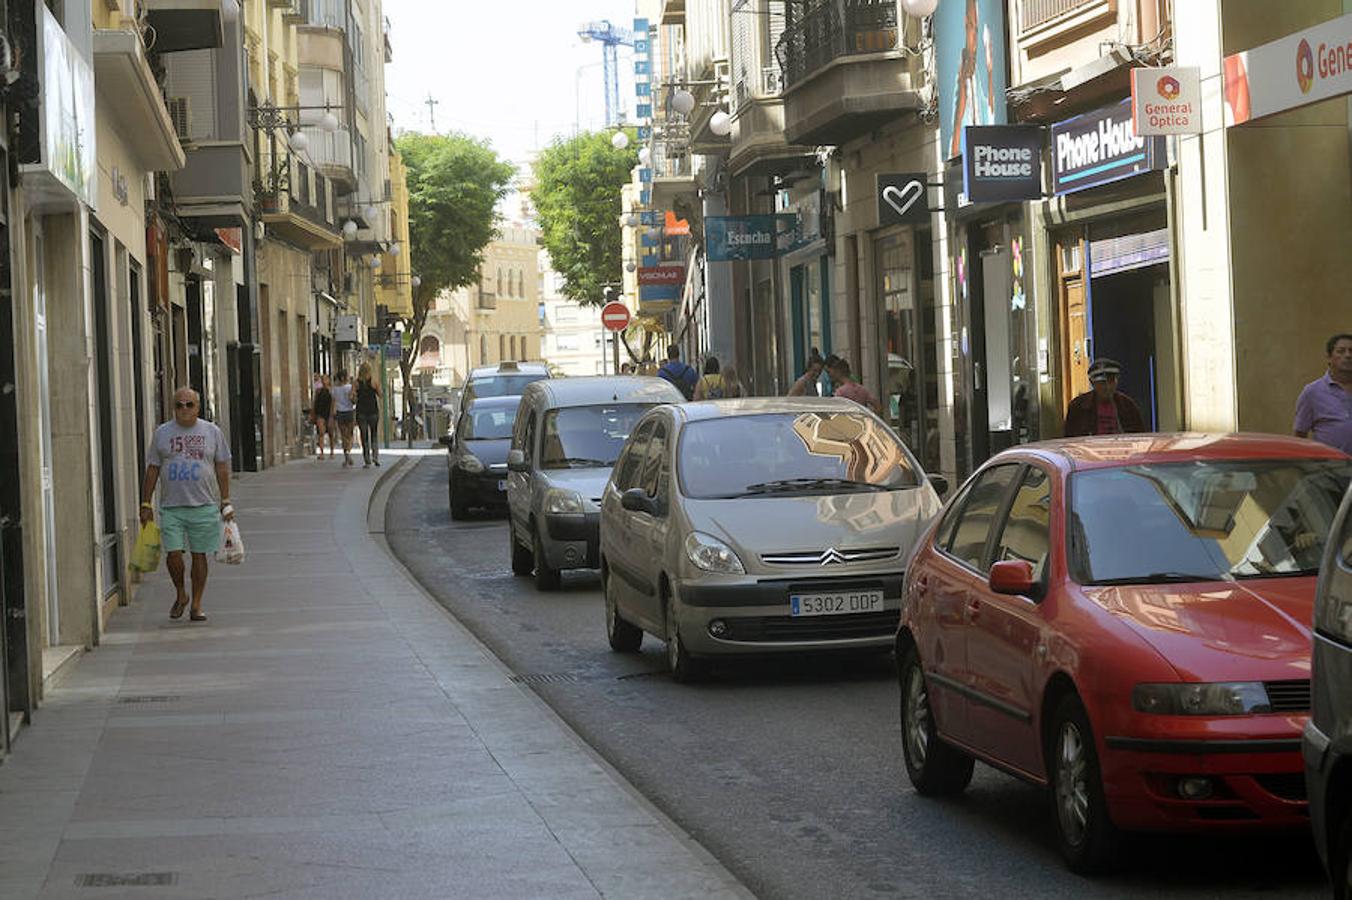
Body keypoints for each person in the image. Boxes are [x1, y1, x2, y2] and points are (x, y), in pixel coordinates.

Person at [138, 387, 234, 623]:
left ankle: (197, 604)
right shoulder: (162, 433)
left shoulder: (212, 432)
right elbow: (152, 468)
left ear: (198, 407)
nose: (184, 410)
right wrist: (145, 502)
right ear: (173, 408)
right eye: (179, 405)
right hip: (172, 506)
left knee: (199, 556)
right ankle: (181, 593)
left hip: (204, 505)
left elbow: (222, 467)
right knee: (173, 555)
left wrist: (226, 501)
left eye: (189, 405)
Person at [1294, 333, 1352, 455]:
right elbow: (1300, 435)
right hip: (1330, 468)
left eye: (1351, 351)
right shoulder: (1312, 392)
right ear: (1329, 357)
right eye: (1341, 351)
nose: (1348, 355)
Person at [1063, 358, 1147, 437]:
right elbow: (1070, 440)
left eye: (1111, 381)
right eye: (1102, 382)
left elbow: (1139, 436)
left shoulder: (1127, 406)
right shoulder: (1078, 407)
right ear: (1092, 383)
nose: (1107, 387)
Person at [355, 362, 382, 468]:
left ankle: (367, 460)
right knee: (374, 434)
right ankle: (375, 457)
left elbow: (352, 396)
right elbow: (381, 395)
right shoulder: (374, 382)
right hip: (373, 411)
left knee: (364, 436)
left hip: (361, 411)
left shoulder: (356, 383)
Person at [331, 370, 356, 466]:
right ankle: (348, 453)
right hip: (349, 412)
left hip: (339, 413)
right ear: (344, 377)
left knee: (343, 435)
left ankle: (346, 456)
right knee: (349, 435)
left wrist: (332, 415)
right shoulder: (349, 387)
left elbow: (333, 403)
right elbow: (353, 400)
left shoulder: (335, 389)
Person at [311, 375, 334, 460]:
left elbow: (334, 402)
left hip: (329, 413)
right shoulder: (318, 391)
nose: (324, 381)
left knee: (331, 433)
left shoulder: (331, 391)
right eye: (322, 379)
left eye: (326, 379)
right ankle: (321, 453)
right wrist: (313, 413)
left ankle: (332, 451)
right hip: (320, 413)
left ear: (329, 380)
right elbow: (315, 402)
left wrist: (332, 414)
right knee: (321, 432)